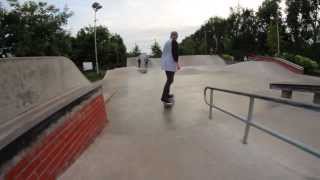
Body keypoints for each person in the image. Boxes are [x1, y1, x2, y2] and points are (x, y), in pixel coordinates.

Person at [161, 31, 180, 105]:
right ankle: (164, 97)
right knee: (169, 80)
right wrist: (177, 63)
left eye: (177, 36)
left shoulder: (167, 42)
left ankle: (167, 95)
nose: (176, 37)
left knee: (170, 80)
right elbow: (175, 53)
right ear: (172, 35)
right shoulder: (173, 42)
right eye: (175, 35)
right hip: (170, 63)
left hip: (166, 63)